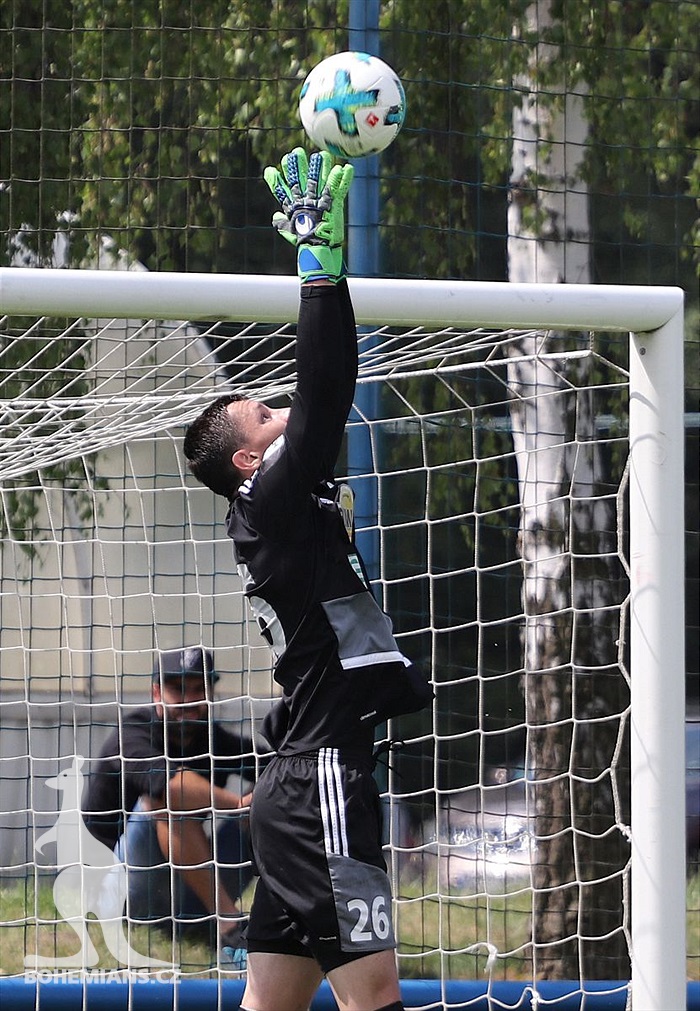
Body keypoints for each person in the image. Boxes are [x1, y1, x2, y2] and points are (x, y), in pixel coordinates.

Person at [183, 148, 433, 1011]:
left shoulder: (275, 509)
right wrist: (319, 267)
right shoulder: (269, 501)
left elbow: (321, 399)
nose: (281, 410)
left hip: (301, 782)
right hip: (322, 778)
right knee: (376, 992)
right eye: (265, 413)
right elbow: (325, 393)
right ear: (248, 460)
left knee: (275, 1000)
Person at [83, 646, 255, 962]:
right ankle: (231, 926)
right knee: (164, 799)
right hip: (124, 895)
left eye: (198, 689)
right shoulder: (132, 733)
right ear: (156, 693)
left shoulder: (215, 740)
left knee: (270, 802)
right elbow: (170, 786)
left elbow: (274, 766)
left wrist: (258, 802)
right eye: (178, 689)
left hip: (188, 896)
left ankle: (285, 916)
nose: (189, 700)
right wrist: (237, 803)